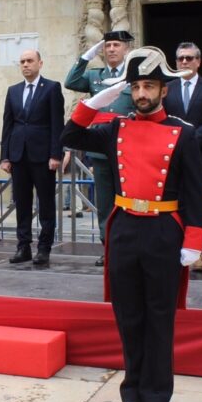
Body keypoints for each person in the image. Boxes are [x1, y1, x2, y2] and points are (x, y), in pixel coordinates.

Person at [62, 46, 202, 402]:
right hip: (124, 227)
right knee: (128, 318)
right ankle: (131, 393)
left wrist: (194, 240)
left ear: (163, 91)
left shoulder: (183, 133)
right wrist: (95, 102)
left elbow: (195, 192)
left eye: (149, 86)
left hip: (163, 230)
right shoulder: (115, 128)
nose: (141, 94)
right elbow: (70, 134)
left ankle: (157, 397)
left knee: (160, 318)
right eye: (137, 86)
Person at [65, 31, 136, 266]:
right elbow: (71, 82)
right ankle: (109, 248)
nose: (111, 49)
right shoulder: (95, 75)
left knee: (128, 201)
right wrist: (86, 57)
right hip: (101, 148)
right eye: (108, 46)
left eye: (116, 45)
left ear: (126, 49)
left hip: (127, 147)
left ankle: (129, 247)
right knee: (105, 204)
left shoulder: (133, 74)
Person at [163, 42, 202, 271]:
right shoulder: (167, 88)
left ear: (198, 61)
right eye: (180, 58)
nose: (184, 62)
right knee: (174, 203)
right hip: (172, 157)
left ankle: (199, 252)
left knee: (197, 204)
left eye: (189, 58)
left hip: (201, 156)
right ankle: (175, 250)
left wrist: (188, 143)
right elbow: (164, 118)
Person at [1, 49, 65, 265]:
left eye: (30, 61)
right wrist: (5, 157)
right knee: (22, 203)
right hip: (18, 156)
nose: (26, 65)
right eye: (22, 62)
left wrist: (56, 154)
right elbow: (8, 125)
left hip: (43, 156)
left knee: (45, 203)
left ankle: (44, 248)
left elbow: (57, 124)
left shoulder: (52, 88)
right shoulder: (13, 91)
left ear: (40, 63)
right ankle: (23, 247)